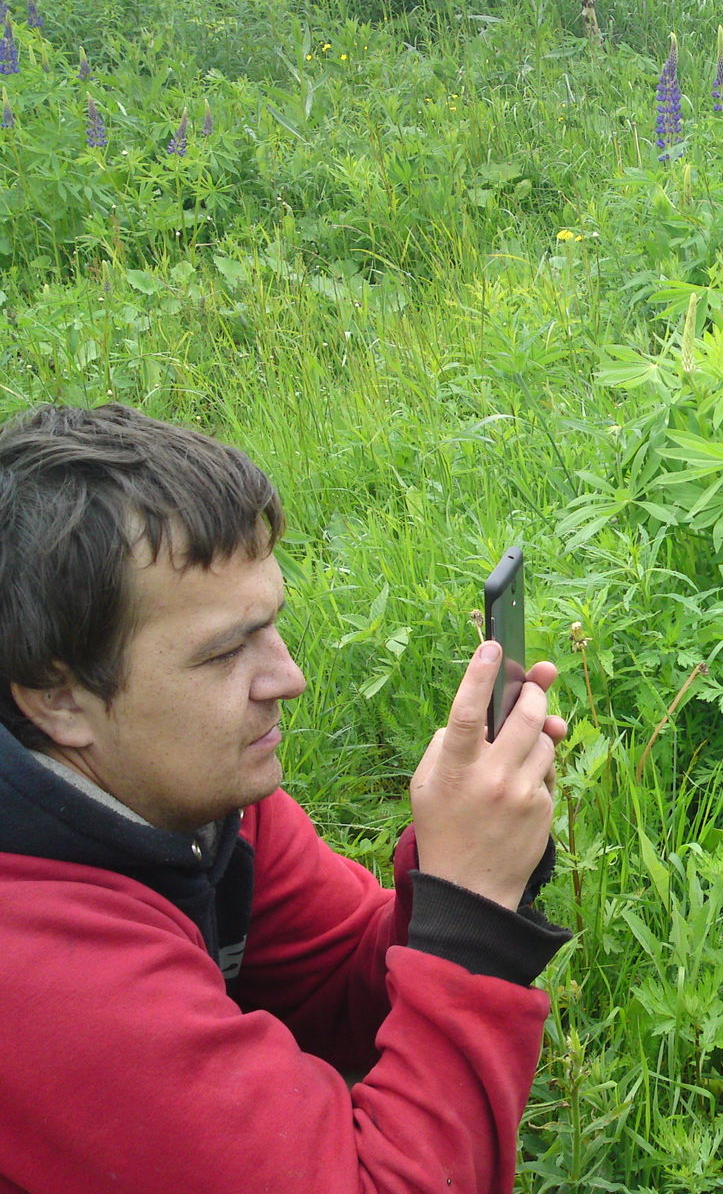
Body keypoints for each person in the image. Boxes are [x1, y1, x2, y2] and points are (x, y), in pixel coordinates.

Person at [0, 403, 571, 1194]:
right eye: (227, 650)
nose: (288, 677)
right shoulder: (43, 980)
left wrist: (451, 864)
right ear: (57, 699)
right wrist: (472, 918)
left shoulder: (182, 790)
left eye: (269, 625)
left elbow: (334, 982)